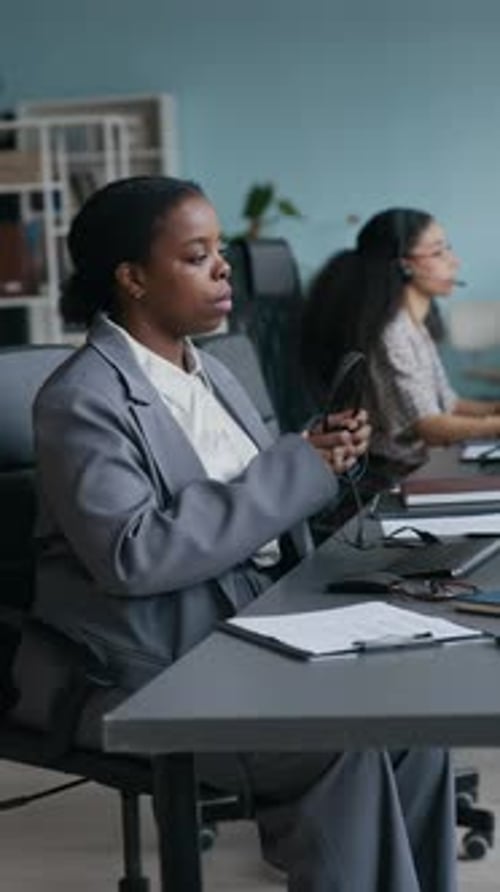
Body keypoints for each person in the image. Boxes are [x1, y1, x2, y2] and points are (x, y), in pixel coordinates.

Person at [30, 178, 455, 892]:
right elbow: (134, 554)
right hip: (156, 660)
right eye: (197, 256)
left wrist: (320, 457)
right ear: (132, 278)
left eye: (219, 250)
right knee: (342, 746)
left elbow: (255, 496)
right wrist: (294, 470)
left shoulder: (215, 372)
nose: (224, 269)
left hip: (252, 626)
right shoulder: (81, 400)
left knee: (414, 729)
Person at [301, 207, 500, 481]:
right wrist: (494, 425)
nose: (454, 262)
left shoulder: (415, 323)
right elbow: (429, 425)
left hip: (413, 467)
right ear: (404, 264)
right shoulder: (391, 332)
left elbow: (448, 404)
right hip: (388, 477)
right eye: (438, 252)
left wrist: (493, 411)